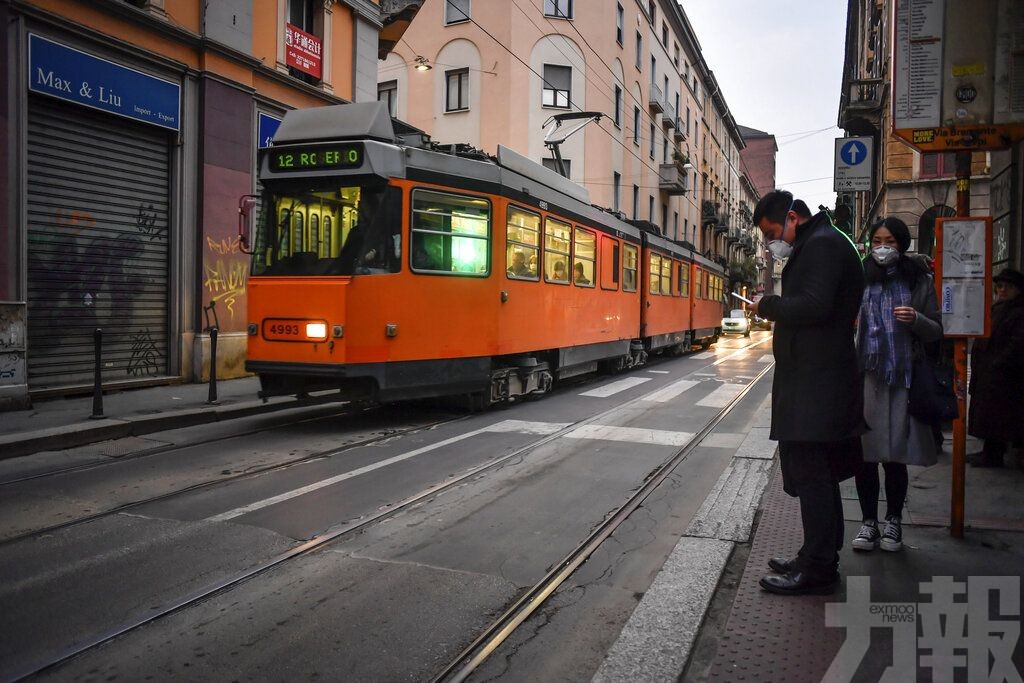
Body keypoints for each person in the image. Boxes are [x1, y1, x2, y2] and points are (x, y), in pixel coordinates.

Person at [750, 190, 866, 596]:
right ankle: (817, 553)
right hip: (816, 379)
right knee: (819, 474)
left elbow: (814, 306)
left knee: (813, 475)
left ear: (793, 218)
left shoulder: (821, 246)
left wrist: (768, 305)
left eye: (771, 232)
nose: (771, 242)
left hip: (817, 384)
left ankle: (818, 567)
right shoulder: (823, 242)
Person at [851, 218, 942, 553]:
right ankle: (867, 522)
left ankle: (893, 522)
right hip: (867, 375)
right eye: (876, 241)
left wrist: (916, 320)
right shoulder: (859, 277)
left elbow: (937, 329)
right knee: (866, 454)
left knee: (895, 456)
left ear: (901, 243)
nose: (882, 247)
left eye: (889, 240)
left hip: (903, 376)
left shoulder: (918, 278)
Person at [967, 268, 1024, 467]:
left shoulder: (1017, 312)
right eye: (1000, 286)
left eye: (1008, 287)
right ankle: (989, 451)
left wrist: (998, 362)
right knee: (989, 413)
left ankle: (993, 454)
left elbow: (1017, 343)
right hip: (990, 370)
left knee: (997, 415)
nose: (1002, 290)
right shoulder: (999, 307)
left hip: (1002, 373)